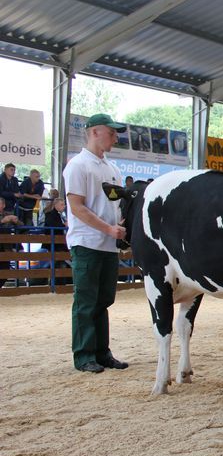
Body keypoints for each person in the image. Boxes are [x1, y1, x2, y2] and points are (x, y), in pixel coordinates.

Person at [63, 113, 129, 373]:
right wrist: (108, 228)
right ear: (94, 132)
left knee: (103, 300)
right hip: (87, 242)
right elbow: (77, 207)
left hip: (107, 244)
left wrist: (121, 224)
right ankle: (84, 355)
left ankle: (102, 352)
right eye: (111, 132)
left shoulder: (112, 168)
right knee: (87, 301)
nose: (115, 136)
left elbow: (114, 204)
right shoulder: (78, 165)